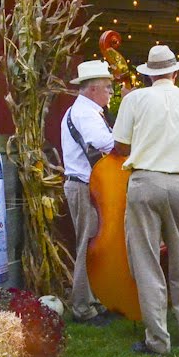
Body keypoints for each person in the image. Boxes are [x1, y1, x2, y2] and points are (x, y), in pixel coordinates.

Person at [111, 45, 179, 356]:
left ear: (148, 74)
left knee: (147, 262)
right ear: (175, 72)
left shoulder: (134, 99)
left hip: (144, 182)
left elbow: (119, 146)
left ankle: (158, 339)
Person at [60, 60, 117, 326]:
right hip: (83, 186)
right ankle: (82, 306)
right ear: (93, 89)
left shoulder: (85, 110)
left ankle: (92, 300)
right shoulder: (86, 113)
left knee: (92, 243)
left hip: (84, 185)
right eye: (107, 87)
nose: (110, 92)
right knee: (86, 244)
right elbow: (105, 142)